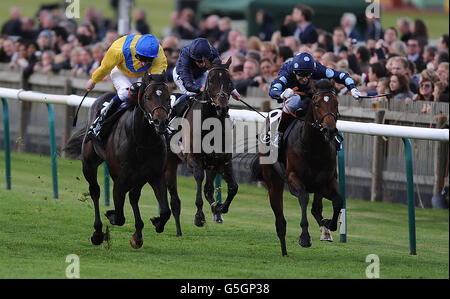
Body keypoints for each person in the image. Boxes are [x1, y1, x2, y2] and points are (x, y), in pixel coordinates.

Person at [268, 52, 362, 149]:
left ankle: (332, 134)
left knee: (325, 99)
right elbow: (273, 90)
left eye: (308, 74)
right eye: (301, 74)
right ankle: (279, 133)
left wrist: (353, 88)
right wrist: (282, 94)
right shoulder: (287, 71)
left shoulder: (317, 68)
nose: (305, 78)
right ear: (294, 72)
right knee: (295, 100)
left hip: (310, 94)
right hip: (292, 96)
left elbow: (342, 75)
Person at [86, 33, 167, 139]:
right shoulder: (118, 49)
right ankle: (100, 121)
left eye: (148, 60)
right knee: (125, 93)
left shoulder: (158, 54)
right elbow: (105, 67)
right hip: (120, 72)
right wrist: (93, 80)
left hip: (142, 75)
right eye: (140, 58)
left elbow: (157, 79)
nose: (143, 63)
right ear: (136, 52)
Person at [171, 38, 241, 119]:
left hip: (201, 74)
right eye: (199, 61)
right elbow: (187, 83)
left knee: (209, 95)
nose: (203, 64)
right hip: (182, 76)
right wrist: (198, 89)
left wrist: (232, 90)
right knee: (192, 95)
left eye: (205, 61)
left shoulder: (213, 53)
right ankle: (173, 113)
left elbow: (221, 74)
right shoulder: (185, 55)